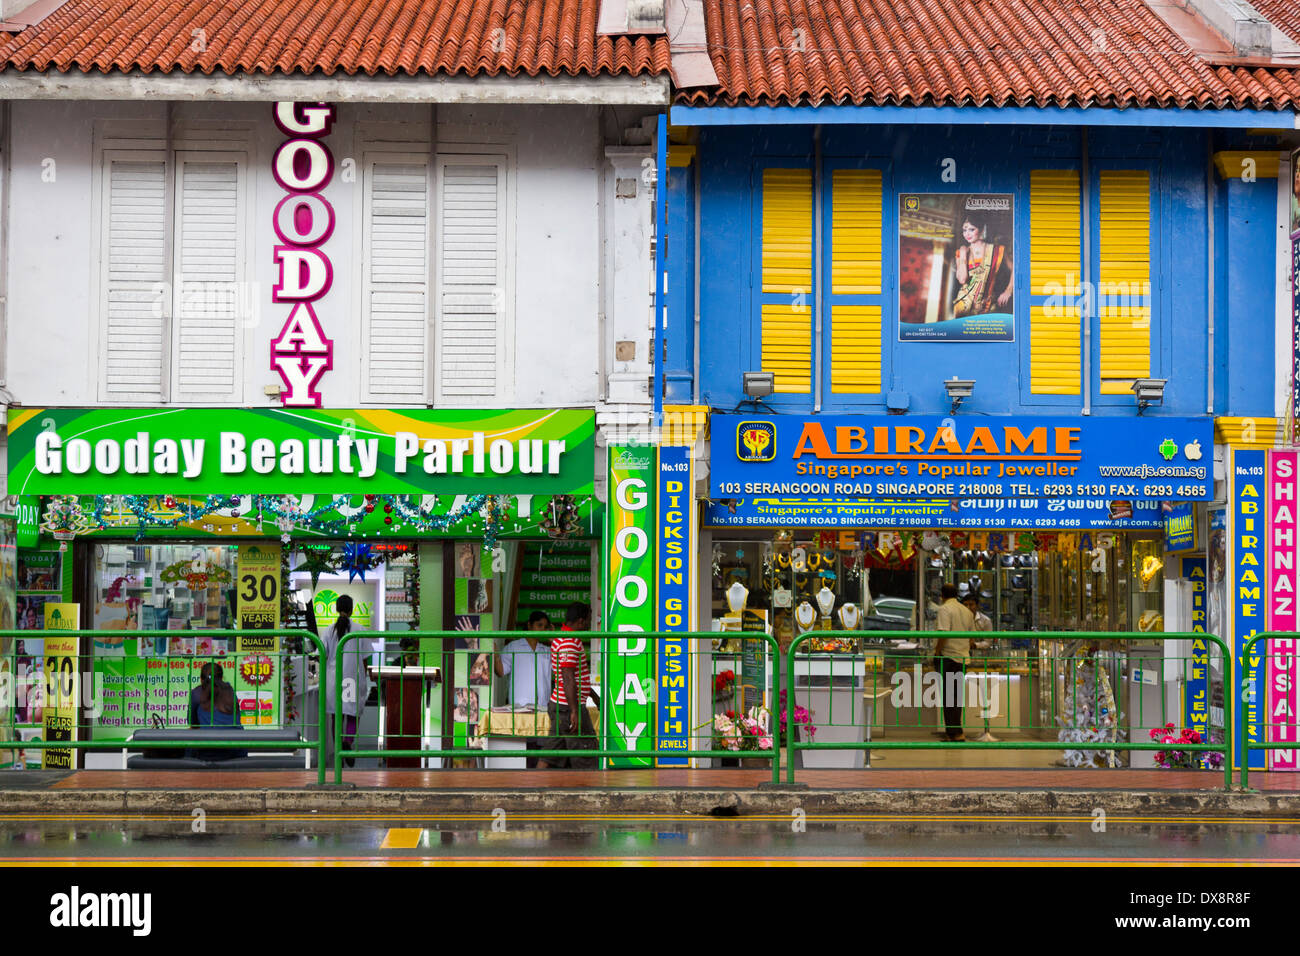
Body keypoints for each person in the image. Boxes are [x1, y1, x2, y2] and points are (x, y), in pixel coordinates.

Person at [538, 602, 595, 769]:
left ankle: (532, 787)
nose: (588, 625)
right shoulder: (569, 642)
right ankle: (589, 792)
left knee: (551, 755)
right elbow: (568, 677)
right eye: (588, 621)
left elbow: (574, 677)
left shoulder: (561, 636)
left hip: (560, 705)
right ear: (580, 621)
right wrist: (574, 710)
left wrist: (593, 696)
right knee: (586, 754)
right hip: (567, 707)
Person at [322, 594, 370, 768]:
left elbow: (323, 654)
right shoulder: (360, 629)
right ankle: (348, 741)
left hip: (334, 678)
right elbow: (365, 658)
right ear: (352, 609)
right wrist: (365, 674)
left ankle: (338, 753)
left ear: (336, 608)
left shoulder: (329, 630)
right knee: (353, 712)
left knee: (336, 716)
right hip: (352, 677)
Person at [934, 583, 975, 741]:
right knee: (956, 696)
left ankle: (955, 733)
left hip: (949, 657)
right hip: (962, 658)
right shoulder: (967, 611)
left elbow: (943, 634)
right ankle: (956, 731)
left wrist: (937, 652)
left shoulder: (945, 609)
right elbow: (972, 638)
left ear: (942, 595)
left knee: (948, 697)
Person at [952, 214, 1012, 318]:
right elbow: (962, 279)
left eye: (971, 229)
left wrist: (1008, 291)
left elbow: (1016, 269)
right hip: (964, 306)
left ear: (981, 230)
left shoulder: (997, 250)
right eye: (964, 230)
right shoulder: (961, 253)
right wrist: (963, 256)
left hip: (988, 306)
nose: (967, 234)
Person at [189, 663, 245, 761]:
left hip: (208, 749)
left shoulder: (197, 693)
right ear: (222, 677)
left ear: (201, 679)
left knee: (188, 742)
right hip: (236, 747)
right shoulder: (230, 691)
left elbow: (193, 723)